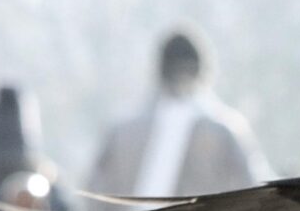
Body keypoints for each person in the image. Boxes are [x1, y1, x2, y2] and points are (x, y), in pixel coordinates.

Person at [87, 26, 270, 199]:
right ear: (202, 68)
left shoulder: (122, 131)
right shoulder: (225, 129)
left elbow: (94, 193)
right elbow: (255, 189)